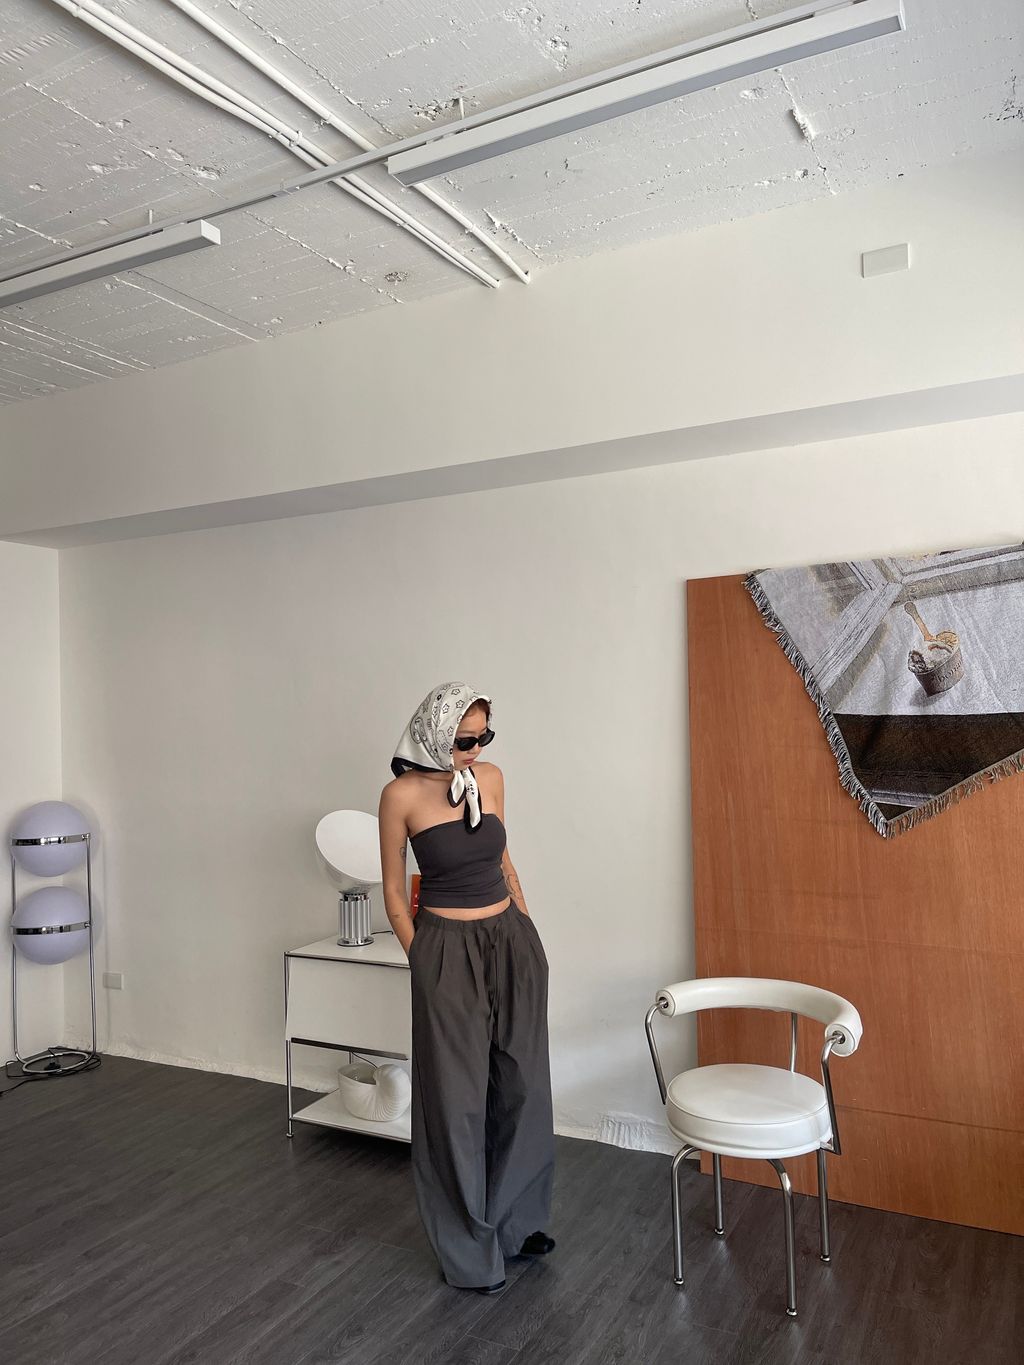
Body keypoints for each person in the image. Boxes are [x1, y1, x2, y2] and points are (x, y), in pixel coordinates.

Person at [378, 682, 555, 1294]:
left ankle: (515, 1224)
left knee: (522, 1085)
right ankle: (467, 1246)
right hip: (445, 949)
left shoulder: (491, 778)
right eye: (463, 740)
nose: (475, 750)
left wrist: (528, 932)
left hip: (510, 941)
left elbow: (504, 862)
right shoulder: (401, 796)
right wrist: (423, 958)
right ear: (433, 733)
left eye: (484, 737)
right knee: (456, 1101)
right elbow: (394, 891)